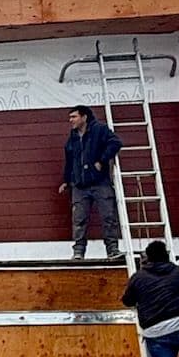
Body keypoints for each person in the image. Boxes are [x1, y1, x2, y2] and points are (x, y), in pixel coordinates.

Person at [58, 105, 123, 262]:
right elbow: (69, 160)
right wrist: (66, 181)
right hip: (79, 185)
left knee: (108, 216)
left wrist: (102, 160)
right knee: (79, 220)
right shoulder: (72, 137)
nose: (71, 120)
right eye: (70, 117)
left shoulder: (99, 129)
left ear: (84, 117)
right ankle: (78, 251)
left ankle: (112, 250)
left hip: (100, 183)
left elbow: (115, 142)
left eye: (74, 117)